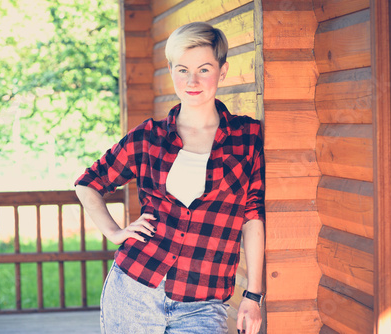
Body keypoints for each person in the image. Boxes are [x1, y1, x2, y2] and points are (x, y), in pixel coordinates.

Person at [75, 21, 265, 334]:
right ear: (170, 70)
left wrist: (253, 295)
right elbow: (88, 184)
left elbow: (252, 218)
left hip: (203, 304)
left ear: (223, 70)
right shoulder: (147, 138)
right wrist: (114, 232)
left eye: (204, 69)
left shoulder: (246, 138)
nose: (192, 80)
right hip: (134, 291)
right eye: (182, 69)